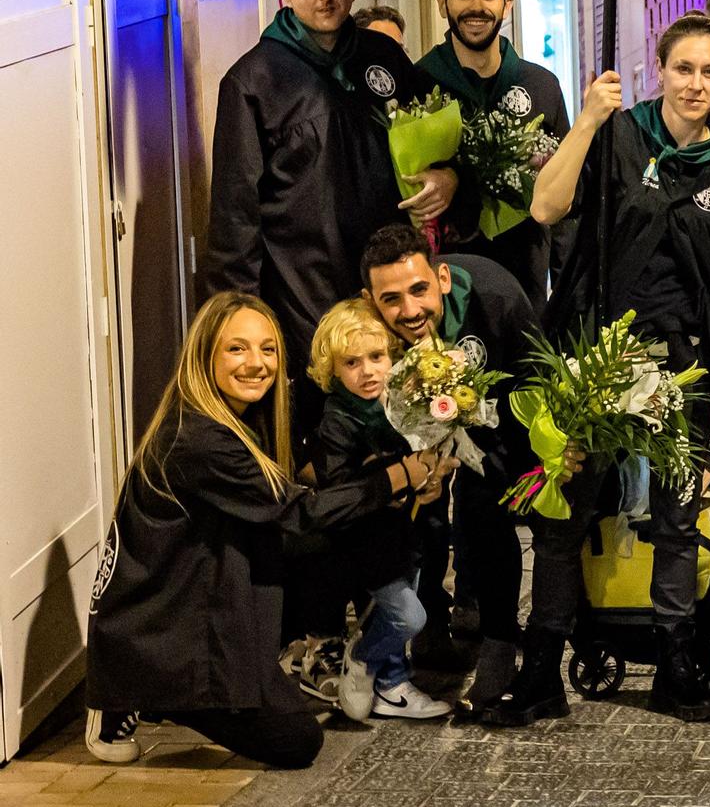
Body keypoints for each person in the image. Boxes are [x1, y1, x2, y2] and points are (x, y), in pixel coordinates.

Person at [524, 13, 710, 723]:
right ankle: (541, 660)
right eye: (683, 68)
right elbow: (547, 206)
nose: (695, 83)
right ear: (657, 67)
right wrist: (587, 121)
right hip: (603, 353)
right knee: (566, 507)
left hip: (686, 364)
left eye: (709, 72)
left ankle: (675, 652)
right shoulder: (619, 133)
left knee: (676, 513)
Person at [86, 293, 450, 769]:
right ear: (205, 356)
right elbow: (298, 511)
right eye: (237, 349)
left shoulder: (235, 419)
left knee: (339, 541)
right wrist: (399, 476)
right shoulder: (200, 438)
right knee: (296, 742)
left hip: (212, 594)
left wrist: (403, 482)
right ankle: (143, 690)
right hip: (165, 629)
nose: (256, 363)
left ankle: (304, 649)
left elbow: (296, 494)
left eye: (267, 349)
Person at [204, 0, 456, 435]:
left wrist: (448, 176)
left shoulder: (381, 57)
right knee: (324, 437)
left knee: (408, 423)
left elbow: (435, 135)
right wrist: (235, 324)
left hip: (390, 289)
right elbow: (235, 221)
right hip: (305, 298)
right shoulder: (252, 83)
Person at [360, 224, 539, 711]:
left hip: (497, 414)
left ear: (441, 277)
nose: (410, 311)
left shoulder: (496, 295)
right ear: (369, 299)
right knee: (421, 511)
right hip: (411, 425)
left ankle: (500, 634)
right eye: (391, 299)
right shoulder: (365, 327)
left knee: (488, 499)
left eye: (419, 289)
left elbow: (535, 382)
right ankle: (431, 623)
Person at [305, 299, 453, 723]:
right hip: (365, 542)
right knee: (409, 615)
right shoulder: (338, 420)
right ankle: (365, 656)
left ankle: (392, 684)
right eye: (352, 362)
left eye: (377, 357)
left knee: (397, 606)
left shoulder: (395, 406)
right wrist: (397, 479)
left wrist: (427, 479)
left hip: (401, 534)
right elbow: (342, 488)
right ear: (332, 369)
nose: (368, 371)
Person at [417, 0, 572, 311]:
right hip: (446, 292)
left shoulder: (540, 86)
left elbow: (569, 201)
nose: (477, 7)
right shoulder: (418, 86)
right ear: (443, 3)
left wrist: (565, 296)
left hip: (527, 288)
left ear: (508, 4)